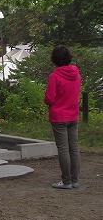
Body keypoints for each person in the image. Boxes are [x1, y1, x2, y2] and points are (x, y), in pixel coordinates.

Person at [44, 45, 81, 189]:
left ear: (54, 60)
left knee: (63, 149)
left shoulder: (54, 76)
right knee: (74, 148)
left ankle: (66, 181)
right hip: (73, 115)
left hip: (59, 117)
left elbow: (49, 98)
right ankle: (75, 180)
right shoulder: (77, 75)